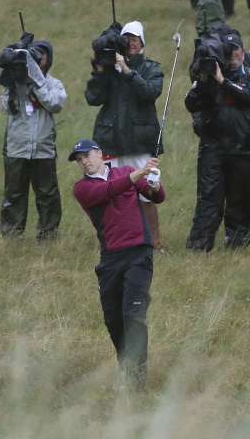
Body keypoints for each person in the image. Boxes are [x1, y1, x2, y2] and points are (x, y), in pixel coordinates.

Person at [69, 138, 166, 390]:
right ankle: (126, 365)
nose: (84, 162)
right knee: (113, 319)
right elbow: (108, 191)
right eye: (80, 161)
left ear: (100, 153)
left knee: (133, 316)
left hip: (139, 255)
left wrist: (153, 183)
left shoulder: (125, 172)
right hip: (110, 259)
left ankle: (136, 379)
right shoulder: (82, 189)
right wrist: (139, 174)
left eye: (87, 156)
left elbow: (158, 197)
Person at [184, 33, 250, 251]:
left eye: (237, 48)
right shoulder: (210, 79)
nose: (233, 53)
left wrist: (224, 82)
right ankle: (199, 245)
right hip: (213, 147)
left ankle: (236, 242)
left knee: (238, 198)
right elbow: (191, 104)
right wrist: (203, 83)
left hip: (243, 148)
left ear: (243, 51)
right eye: (228, 49)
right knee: (209, 198)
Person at [85, 21, 165, 251]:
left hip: (140, 142)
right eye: (126, 38)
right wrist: (100, 70)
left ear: (142, 42)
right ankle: (110, 241)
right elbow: (93, 98)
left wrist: (127, 70)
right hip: (111, 140)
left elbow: (149, 93)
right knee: (107, 194)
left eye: (135, 38)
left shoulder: (151, 68)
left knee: (147, 192)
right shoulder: (109, 67)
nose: (131, 42)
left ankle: (154, 243)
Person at [0, 39, 67, 242]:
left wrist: (37, 83)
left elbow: (55, 104)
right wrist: (12, 83)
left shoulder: (53, 84)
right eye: (36, 54)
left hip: (43, 148)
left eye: (43, 54)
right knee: (14, 194)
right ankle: (12, 234)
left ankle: (48, 234)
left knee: (47, 194)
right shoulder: (15, 82)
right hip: (16, 147)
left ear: (49, 58)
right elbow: (5, 108)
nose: (40, 58)